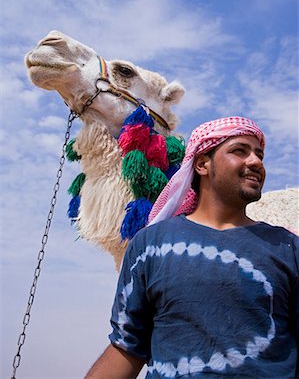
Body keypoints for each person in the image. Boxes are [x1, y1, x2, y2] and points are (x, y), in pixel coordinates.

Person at [85, 116, 298, 379]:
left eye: (259, 154)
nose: (256, 162)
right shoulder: (150, 244)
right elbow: (127, 346)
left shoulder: (287, 247)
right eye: (239, 151)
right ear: (202, 164)